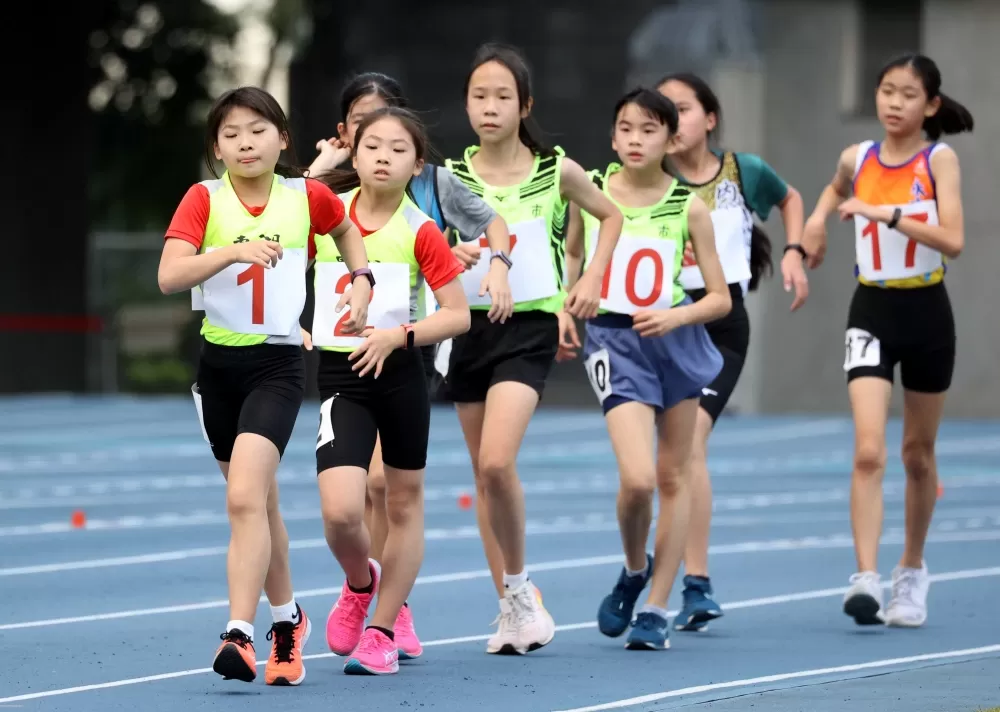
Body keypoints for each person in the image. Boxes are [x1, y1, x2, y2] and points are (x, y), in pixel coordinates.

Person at [157, 86, 371, 685]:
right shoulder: (203, 199)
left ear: (282, 139)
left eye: (257, 131)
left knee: (244, 499)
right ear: (217, 148)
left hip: (276, 368)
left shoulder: (306, 195)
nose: (245, 143)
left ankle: (238, 634)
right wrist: (232, 253)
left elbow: (346, 230)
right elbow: (170, 276)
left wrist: (361, 278)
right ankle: (288, 621)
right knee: (261, 506)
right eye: (231, 134)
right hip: (218, 371)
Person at [305, 72, 514, 659]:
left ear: (417, 163)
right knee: (341, 512)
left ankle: (382, 629)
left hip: (402, 373)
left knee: (399, 499)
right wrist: (294, 322)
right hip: (342, 375)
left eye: (398, 149)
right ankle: (360, 583)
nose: (382, 156)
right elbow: (281, 233)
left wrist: (399, 336)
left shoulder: (421, 228)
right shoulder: (327, 213)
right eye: (371, 144)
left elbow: (458, 315)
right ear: (351, 147)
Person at [444, 42, 624, 655]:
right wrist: (449, 253)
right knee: (483, 475)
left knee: (498, 463)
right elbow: (420, 242)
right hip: (467, 329)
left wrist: (590, 277)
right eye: (479, 95)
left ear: (525, 106)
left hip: (529, 330)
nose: (490, 107)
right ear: (466, 104)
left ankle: (521, 590)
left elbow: (610, 216)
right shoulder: (448, 177)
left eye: (503, 96)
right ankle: (510, 605)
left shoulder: (556, 170)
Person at [802, 53, 972, 627]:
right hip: (871, 310)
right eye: (886, 91)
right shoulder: (858, 157)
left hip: (927, 314)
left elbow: (953, 240)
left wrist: (885, 214)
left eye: (908, 94)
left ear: (931, 105)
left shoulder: (938, 160)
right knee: (869, 450)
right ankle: (865, 578)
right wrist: (816, 224)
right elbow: (834, 190)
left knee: (917, 455)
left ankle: (912, 570)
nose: (894, 103)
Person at [564, 87, 730, 650]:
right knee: (637, 480)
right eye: (626, 129)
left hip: (675, 342)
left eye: (649, 130)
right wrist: (566, 306)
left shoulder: (689, 207)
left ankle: (657, 607)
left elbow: (719, 298)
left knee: (673, 476)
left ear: (670, 139)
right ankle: (635, 568)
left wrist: (675, 315)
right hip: (614, 343)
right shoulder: (590, 189)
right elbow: (573, 255)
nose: (636, 140)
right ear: (613, 137)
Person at [655, 72, 810, 632]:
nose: (673, 121)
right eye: (662, 111)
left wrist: (794, 250)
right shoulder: (650, 178)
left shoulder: (744, 172)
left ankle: (695, 582)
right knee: (670, 459)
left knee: (692, 442)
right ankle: (665, 570)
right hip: (665, 326)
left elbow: (790, 198)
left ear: (710, 117)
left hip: (721, 326)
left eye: (682, 109)